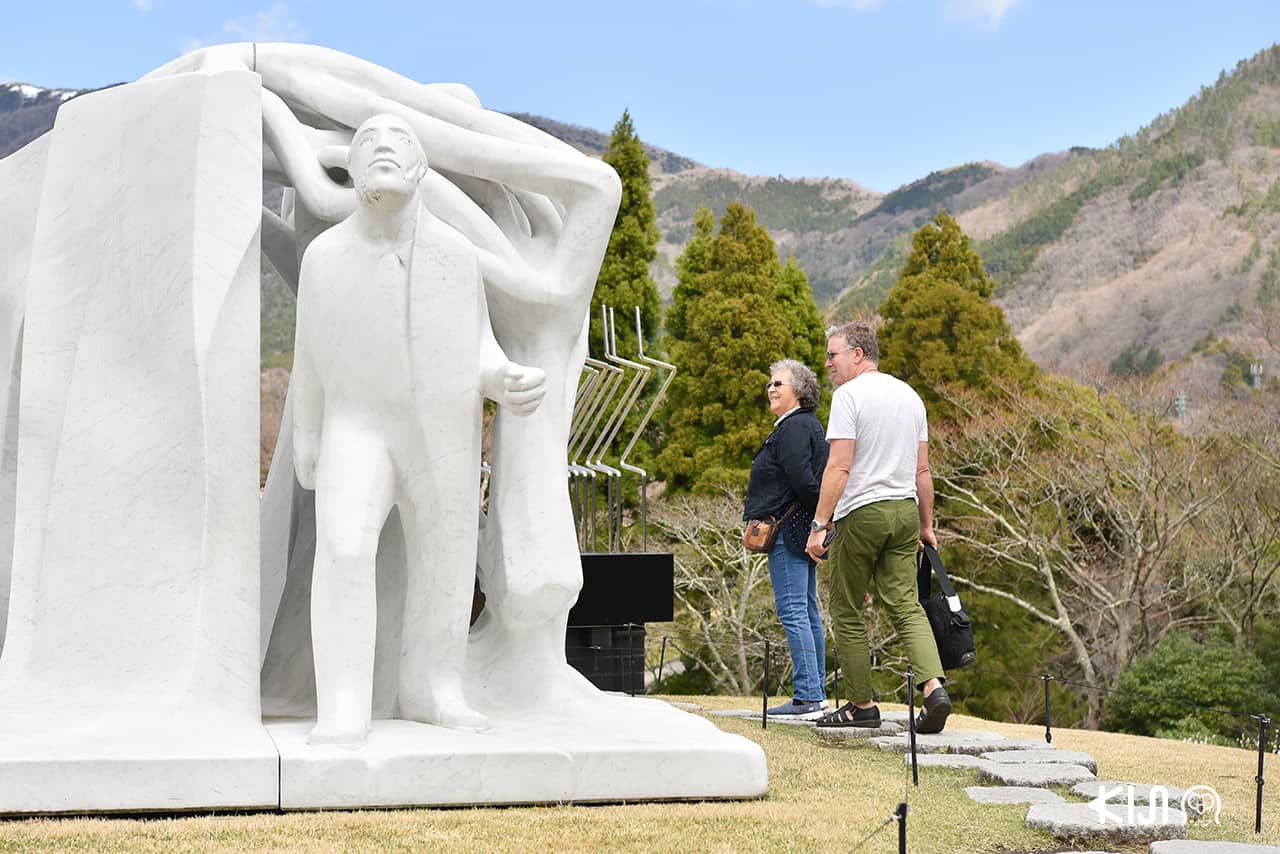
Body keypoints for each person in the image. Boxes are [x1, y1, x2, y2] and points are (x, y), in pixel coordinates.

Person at [292, 113, 547, 745]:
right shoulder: (325, 257)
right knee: (345, 550)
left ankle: (434, 690)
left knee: (447, 561)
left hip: (441, 430)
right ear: (349, 170)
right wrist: (306, 432)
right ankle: (344, 703)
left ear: (422, 167)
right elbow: (308, 358)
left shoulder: (455, 256)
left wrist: (503, 377)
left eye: (399, 140)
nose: (382, 147)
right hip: (357, 424)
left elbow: (480, 346)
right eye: (367, 142)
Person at [805, 321, 951, 732]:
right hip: (905, 511)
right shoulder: (910, 396)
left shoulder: (848, 396)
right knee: (905, 604)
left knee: (846, 607)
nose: (828, 363)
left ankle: (861, 706)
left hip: (862, 513)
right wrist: (926, 525)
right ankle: (934, 688)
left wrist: (819, 524)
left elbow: (840, 466)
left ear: (857, 354)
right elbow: (922, 470)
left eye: (833, 354)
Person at [743, 360, 830, 719]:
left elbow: (804, 481)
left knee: (795, 611)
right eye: (769, 383)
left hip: (788, 531)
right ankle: (815, 692)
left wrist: (821, 519)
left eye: (779, 383)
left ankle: (808, 696)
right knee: (806, 610)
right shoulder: (803, 425)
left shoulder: (794, 427)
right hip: (800, 529)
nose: (771, 389)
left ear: (800, 390)